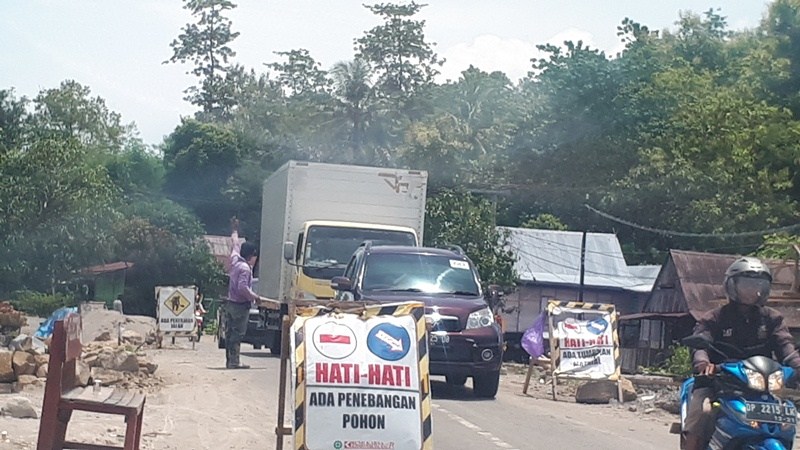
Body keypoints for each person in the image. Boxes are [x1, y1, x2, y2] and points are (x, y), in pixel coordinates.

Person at [684, 256, 800, 450]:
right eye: (746, 285)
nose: (752, 290)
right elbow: (700, 345)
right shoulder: (715, 317)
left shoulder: (772, 319)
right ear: (732, 286)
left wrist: (797, 365)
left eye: (758, 285)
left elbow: (785, 347)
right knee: (703, 413)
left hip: (762, 387)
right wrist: (703, 364)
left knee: (785, 420)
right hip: (718, 382)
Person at [224, 218, 267, 369]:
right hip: (240, 306)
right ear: (251, 256)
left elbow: (235, 244)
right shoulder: (245, 268)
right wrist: (255, 297)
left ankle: (230, 360)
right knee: (237, 334)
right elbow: (242, 287)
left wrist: (235, 230)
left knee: (229, 333)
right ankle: (234, 362)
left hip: (231, 303)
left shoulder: (235, 260)